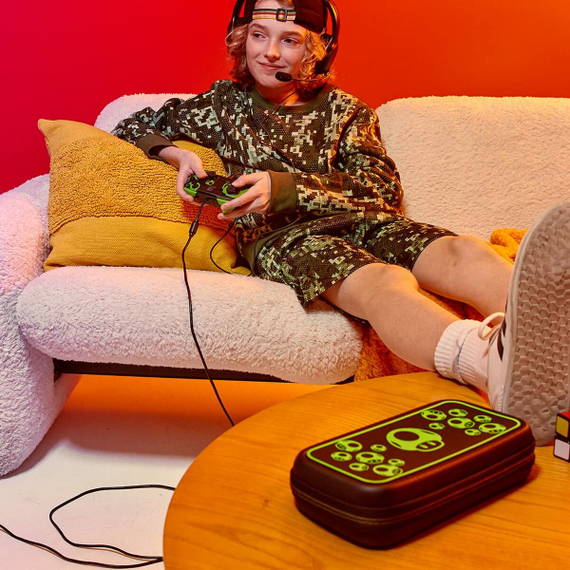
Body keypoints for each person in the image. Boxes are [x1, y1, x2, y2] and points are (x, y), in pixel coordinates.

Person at [111, 0, 570, 445]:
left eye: (289, 40)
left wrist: (286, 186)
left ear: (315, 51)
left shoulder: (346, 111)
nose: (269, 52)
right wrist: (176, 153)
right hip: (285, 237)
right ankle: (488, 364)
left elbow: (381, 188)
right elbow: (129, 123)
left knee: (464, 250)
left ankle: (556, 341)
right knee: (384, 282)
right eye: (259, 35)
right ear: (241, 39)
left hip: (365, 219)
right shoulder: (221, 106)